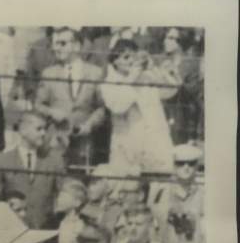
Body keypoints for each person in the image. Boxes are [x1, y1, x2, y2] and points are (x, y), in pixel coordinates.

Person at [101, 39, 177, 175]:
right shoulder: (108, 84)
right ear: (114, 61)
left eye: (135, 57)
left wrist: (155, 69)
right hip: (127, 148)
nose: (131, 61)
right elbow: (118, 106)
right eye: (126, 57)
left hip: (154, 144)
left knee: (159, 186)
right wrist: (131, 79)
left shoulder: (146, 77)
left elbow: (170, 91)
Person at [34, 27, 107, 167]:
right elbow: (38, 105)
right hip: (55, 141)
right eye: (55, 44)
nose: (56, 48)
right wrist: (52, 112)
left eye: (62, 43)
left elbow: (102, 107)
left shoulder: (95, 73)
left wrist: (89, 125)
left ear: (76, 46)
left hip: (84, 142)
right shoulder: (49, 74)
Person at [0, 111, 64, 229]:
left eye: (44, 129)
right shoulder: (2, 161)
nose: (43, 133)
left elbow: (62, 196)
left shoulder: (53, 161)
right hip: (13, 234)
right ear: (23, 131)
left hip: (45, 235)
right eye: (39, 129)